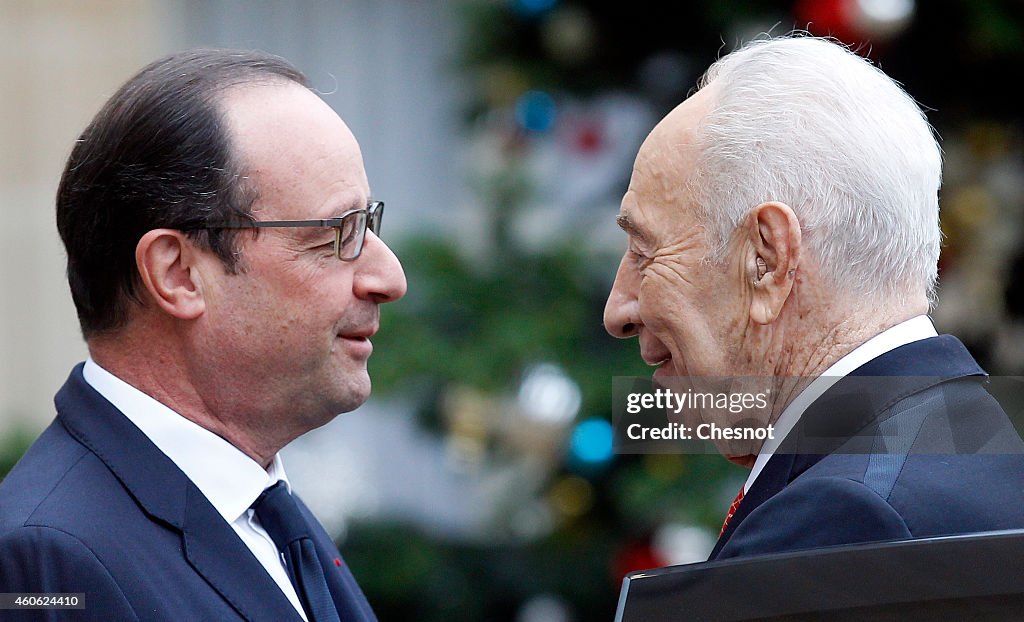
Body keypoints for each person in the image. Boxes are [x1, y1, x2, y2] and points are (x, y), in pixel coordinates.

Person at [0, 48, 405, 621]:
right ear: (178, 273)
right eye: (335, 235)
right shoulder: (47, 562)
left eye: (369, 224)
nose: (389, 277)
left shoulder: (260, 512)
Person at [603, 34, 1024, 561]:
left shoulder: (845, 517)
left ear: (768, 258)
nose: (618, 310)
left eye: (646, 253)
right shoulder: (973, 451)